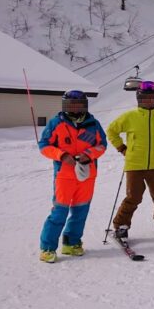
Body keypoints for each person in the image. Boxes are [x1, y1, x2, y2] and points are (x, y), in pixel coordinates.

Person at [107, 81, 154, 240]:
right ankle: (121, 224)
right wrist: (121, 148)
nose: (147, 101)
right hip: (134, 164)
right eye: (144, 98)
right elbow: (111, 131)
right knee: (133, 197)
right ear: (138, 99)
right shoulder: (130, 117)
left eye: (151, 98)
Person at [38, 91, 107, 262]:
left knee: (80, 212)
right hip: (64, 176)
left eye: (78, 104)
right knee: (59, 212)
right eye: (71, 104)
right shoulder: (57, 123)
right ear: (65, 105)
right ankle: (47, 248)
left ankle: (71, 243)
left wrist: (88, 154)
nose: (75, 108)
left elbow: (102, 144)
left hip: (86, 176)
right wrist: (61, 155)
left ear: (84, 105)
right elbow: (44, 145)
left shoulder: (93, 124)